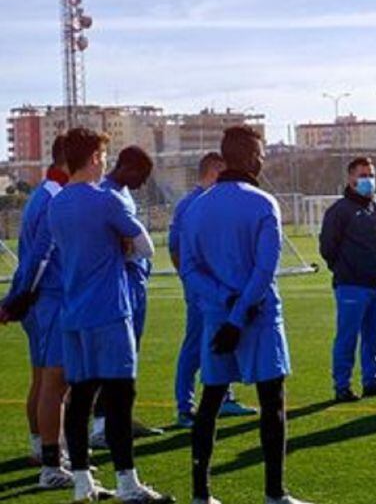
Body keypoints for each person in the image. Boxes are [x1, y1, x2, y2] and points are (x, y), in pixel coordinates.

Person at [182, 126, 310, 504]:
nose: (263, 158)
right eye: (261, 152)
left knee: (210, 401)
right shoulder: (262, 203)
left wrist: (224, 302)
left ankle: (201, 494)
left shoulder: (197, 207)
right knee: (272, 403)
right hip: (258, 317)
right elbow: (265, 268)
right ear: (253, 158)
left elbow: (189, 269)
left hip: (217, 318)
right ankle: (274, 494)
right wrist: (240, 313)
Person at [48, 128, 172, 503]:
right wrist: (123, 249)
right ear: (96, 158)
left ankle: (83, 483)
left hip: (73, 312)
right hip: (109, 309)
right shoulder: (105, 201)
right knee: (120, 395)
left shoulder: (56, 203)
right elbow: (146, 248)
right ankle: (127, 483)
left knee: (81, 396)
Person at [0, 136, 72, 488]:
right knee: (54, 385)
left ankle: (42, 450)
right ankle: (52, 461)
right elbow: (42, 255)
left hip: (36, 299)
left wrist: (17, 297)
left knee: (43, 381)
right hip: (48, 300)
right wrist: (21, 296)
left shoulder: (42, 194)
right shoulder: (55, 197)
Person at [169, 151, 256, 428]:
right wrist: (191, 282)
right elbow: (176, 248)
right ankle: (185, 406)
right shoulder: (190, 204)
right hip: (202, 291)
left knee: (225, 340)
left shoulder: (218, 202)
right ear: (214, 170)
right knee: (195, 345)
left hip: (225, 290)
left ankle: (225, 398)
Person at [95, 146, 163, 446]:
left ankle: (121, 417)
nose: (143, 183)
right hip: (121, 283)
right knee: (113, 358)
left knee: (130, 354)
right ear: (127, 167)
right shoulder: (105, 194)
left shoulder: (122, 193)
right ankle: (101, 425)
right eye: (142, 176)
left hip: (136, 282)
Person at [319, 156, 376, 401]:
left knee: (373, 338)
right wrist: (343, 269)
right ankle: (342, 386)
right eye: (362, 175)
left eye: (370, 175)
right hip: (351, 285)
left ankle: (371, 380)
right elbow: (327, 247)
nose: (368, 180)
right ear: (350, 179)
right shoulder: (339, 211)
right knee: (347, 337)